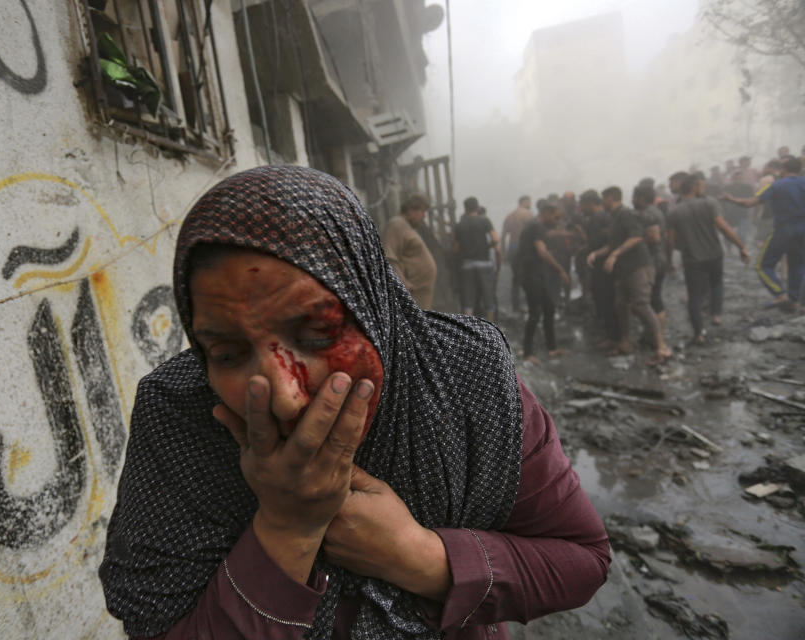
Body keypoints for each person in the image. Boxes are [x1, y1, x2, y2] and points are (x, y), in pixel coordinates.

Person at [98, 166, 610, 639]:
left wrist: (418, 556)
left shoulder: (465, 377)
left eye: (318, 332)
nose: (285, 394)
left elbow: (580, 558)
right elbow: (156, 624)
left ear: (372, 304)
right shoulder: (181, 416)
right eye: (229, 353)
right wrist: (287, 526)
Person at [585, 187, 670, 365]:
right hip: (624, 269)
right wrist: (597, 254)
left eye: (604, 198)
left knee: (641, 305)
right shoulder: (615, 217)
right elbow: (612, 244)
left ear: (611, 197)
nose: (602, 202)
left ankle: (661, 346)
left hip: (639, 266)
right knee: (621, 304)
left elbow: (637, 237)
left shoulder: (625, 214)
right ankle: (625, 342)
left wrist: (615, 255)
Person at [668, 174, 750, 343]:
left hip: (692, 258)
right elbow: (724, 228)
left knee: (694, 296)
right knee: (717, 283)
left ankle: (698, 333)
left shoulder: (674, 211)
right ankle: (716, 315)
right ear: (695, 188)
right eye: (700, 186)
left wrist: (669, 261)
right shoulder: (709, 203)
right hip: (714, 254)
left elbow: (670, 241)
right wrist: (741, 247)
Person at [723, 155, 805, 312]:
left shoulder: (776, 185)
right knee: (798, 265)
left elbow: (750, 203)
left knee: (762, 265)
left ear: (784, 170)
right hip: (803, 229)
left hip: (783, 230)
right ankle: (794, 301)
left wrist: (731, 199)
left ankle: (780, 294)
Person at [518, 200, 571, 365]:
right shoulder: (536, 227)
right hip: (530, 274)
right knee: (535, 312)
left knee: (549, 307)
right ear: (546, 213)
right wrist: (560, 270)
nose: (557, 222)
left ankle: (552, 348)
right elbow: (542, 251)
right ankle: (528, 352)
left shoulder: (535, 226)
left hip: (536, 273)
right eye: (555, 218)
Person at [381, 193, 437, 309]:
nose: (423, 216)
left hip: (419, 294)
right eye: (422, 212)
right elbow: (389, 257)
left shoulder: (406, 226)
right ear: (411, 210)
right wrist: (403, 282)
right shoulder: (396, 224)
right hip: (411, 292)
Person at [580, 190, 619, 347]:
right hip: (598, 263)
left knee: (606, 299)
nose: (580, 208)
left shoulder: (601, 218)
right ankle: (607, 331)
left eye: (582, 204)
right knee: (601, 298)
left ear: (590, 203)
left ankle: (612, 336)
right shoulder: (597, 218)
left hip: (604, 265)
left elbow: (608, 241)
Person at [454, 197, 501, 320]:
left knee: (469, 300)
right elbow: (496, 239)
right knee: (488, 298)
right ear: (478, 207)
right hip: (484, 263)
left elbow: (456, 249)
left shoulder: (459, 225)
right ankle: (491, 327)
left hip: (467, 265)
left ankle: (468, 329)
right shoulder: (485, 221)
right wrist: (486, 246)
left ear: (465, 209)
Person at [634, 183, 668, 337]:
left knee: (654, 299)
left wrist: (634, 242)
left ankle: (657, 336)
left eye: (633, 197)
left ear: (640, 198)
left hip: (653, 260)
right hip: (657, 258)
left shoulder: (649, 213)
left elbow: (654, 237)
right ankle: (653, 334)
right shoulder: (653, 211)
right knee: (652, 298)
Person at [501, 196, 533, 313]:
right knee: (529, 276)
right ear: (525, 202)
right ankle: (530, 303)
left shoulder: (509, 216)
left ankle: (516, 305)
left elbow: (503, 236)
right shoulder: (528, 214)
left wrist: (503, 253)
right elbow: (532, 233)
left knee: (516, 278)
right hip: (524, 249)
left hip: (512, 248)